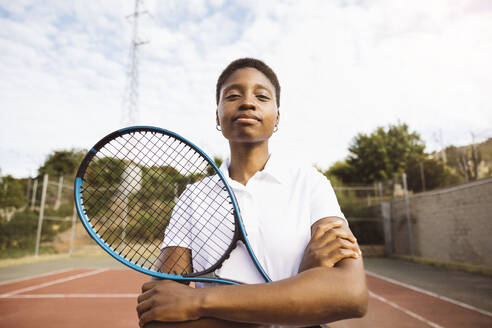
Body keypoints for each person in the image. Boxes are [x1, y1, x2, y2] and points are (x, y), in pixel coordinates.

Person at [136, 58, 368, 328]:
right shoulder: (193, 197)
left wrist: (198, 302)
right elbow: (157, 317)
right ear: (217, 116)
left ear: (277, 117)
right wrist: (298, 294)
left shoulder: (311, 184)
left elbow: (351, 295)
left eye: (261, 96)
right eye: (233, 95)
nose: (247, 102)